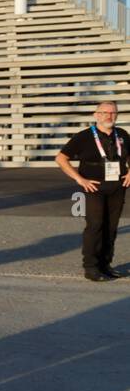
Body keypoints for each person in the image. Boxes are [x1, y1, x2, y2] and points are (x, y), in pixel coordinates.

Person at [56, 101, 129, 281]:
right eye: (104, 112)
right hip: (93, 187)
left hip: (117, 187)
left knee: (111, 227)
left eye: (113, 113)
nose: (109, 116)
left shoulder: (122, 135)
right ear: (96, 115)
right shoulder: (84, 136)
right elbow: (61, 158)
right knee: (95, 226)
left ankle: (105, 265)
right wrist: (79, 179)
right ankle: (91, 267)